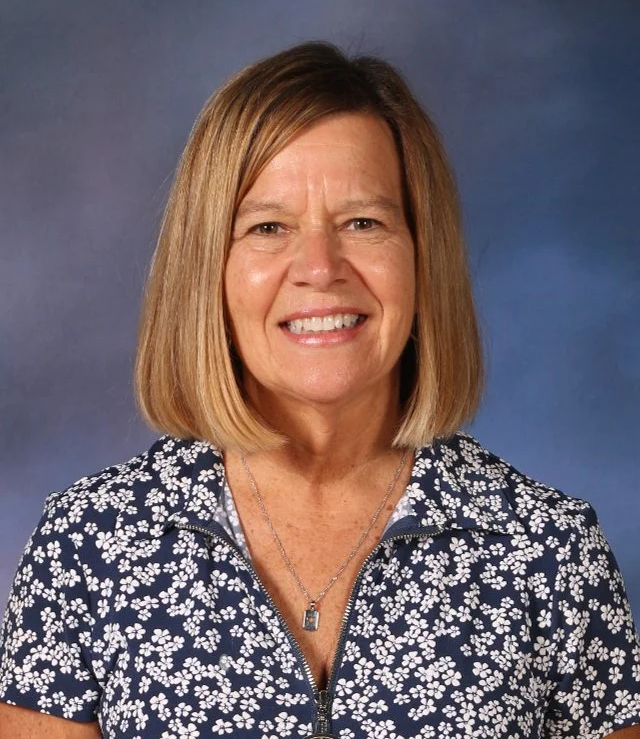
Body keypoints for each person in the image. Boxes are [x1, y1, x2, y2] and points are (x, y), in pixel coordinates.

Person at [1, 42, 639, 739]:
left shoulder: (548, 551)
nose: (319, 268)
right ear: (207, 269)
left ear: (423, 257)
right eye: (268, 228)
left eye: (362, 222)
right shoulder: (91, 545)